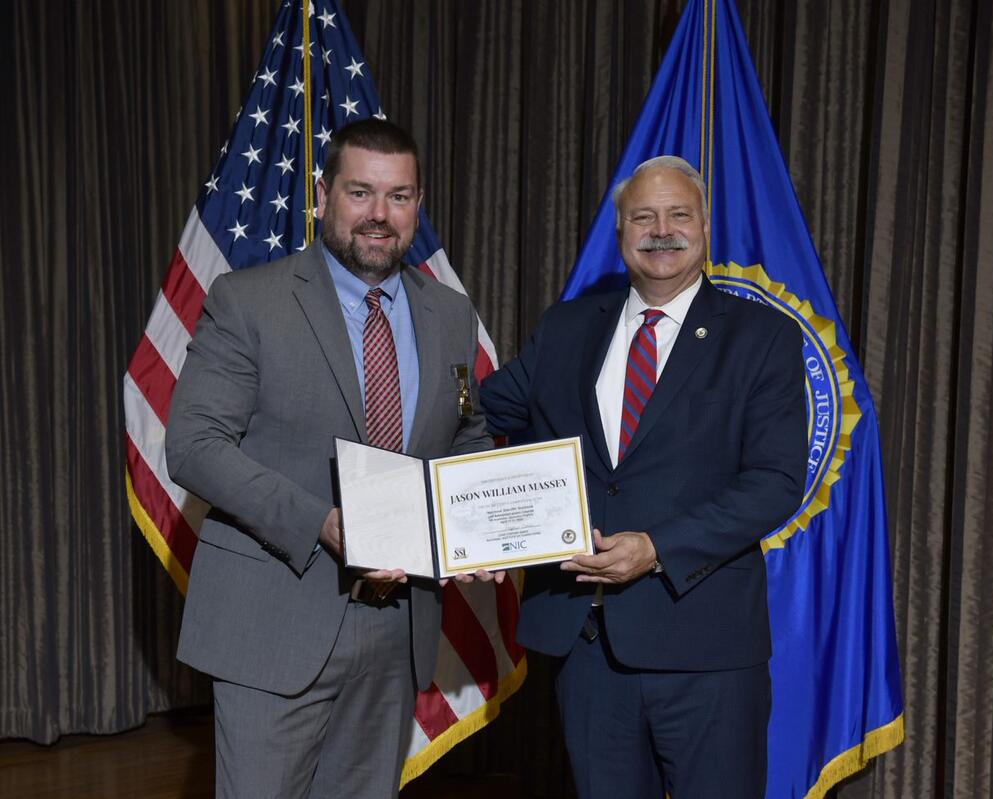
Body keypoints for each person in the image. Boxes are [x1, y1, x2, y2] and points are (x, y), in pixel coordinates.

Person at [165, 118, 494, 799]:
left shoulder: (451, 314)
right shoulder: (248, 301)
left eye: (399, 196)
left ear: (419, 204)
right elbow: (194, 446)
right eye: (360, 192)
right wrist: (323, 520)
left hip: (396, 627)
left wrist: (481, 520)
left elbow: (467, 437)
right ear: (321, 195)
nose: (379, 214)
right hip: (274, 622)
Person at [480, 155, 807, 799]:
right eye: (643, 216)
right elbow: (484, 412)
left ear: (706, 227)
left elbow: (774, 482)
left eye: (679, 215)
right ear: (620, 230)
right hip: (588, 647)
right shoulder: (567, 327)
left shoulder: (762, 336)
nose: (662, 230)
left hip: (706, 650)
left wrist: (657, 548)